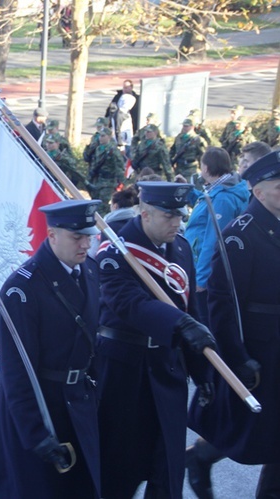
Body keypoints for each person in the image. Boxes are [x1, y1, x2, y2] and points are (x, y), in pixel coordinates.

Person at [0, 199, 103, 497]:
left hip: (79, 402)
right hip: (43, 408)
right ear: (52, 235)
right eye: (76, 237)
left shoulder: (90, 270)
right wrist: (35, 432)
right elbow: (15, 372)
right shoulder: (22, 289)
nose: (85, 244)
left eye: (88, 236)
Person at [95, 181, 216, 498]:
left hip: (166, 370)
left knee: (167, 470)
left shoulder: (182, 247)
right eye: (168, 216)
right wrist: (181, 323)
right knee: (118, 470)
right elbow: (129, 303)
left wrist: (203, 372)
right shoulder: (116, 250)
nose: (177, 223)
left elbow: (190, 311)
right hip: (124, 373)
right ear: (145, 213)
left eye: (180, 215)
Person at [187, 151, 280, 499]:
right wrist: (235, 357)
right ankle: (199, 458)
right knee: (248, 426)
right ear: (258, 192)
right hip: (260, 347)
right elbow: (222, 304)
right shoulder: (239, 236)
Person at [182, 146, 250, 324]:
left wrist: (201, 279)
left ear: (205, 168)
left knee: (204, 320)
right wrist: (190, 193)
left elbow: (214, 240)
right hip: (206, 269)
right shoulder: (221, 190)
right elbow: (206, 207)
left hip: (207, 273)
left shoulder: (223, 198)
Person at [88, 127, 125, 216]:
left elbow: (119, 167)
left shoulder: (113, 150)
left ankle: (103, 226)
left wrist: (122, 182)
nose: (100, 138)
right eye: (100, 136)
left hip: (108, 182)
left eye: (103, 136)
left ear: (109, 136)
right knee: (94, 204)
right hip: (97, 181)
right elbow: (93, 163)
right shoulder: (98, 149)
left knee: (102, 206)